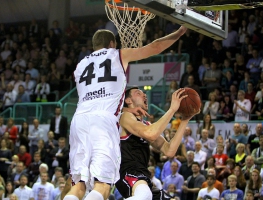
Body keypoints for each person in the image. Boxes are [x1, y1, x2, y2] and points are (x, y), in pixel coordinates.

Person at [65, 26, 188, 200]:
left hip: (79, 121)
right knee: (103, 186)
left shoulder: (80, 66)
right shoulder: (117, 55)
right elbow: (154, 47)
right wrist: (178, 34)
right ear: (112, 44)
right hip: (104, 122)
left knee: (78, 186)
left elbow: (97, 95)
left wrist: (126, 109)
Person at [115, 87, 198, 200]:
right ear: (128, 100)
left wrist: (185, 120)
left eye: (144, 93)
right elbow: (150, 133)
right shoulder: (125, 116)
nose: (144, 95)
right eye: (138, 93)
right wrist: (172, 109)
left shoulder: (146, 124)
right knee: (144, 195)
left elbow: (169, 151)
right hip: (127, 172)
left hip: (143, 177)